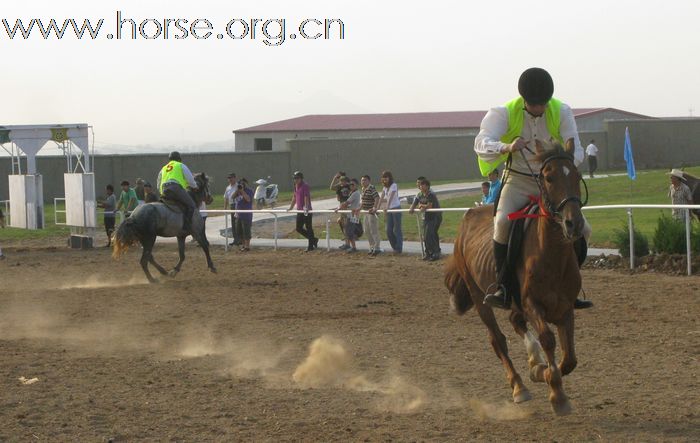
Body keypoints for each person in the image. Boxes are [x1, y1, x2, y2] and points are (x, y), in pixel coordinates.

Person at [474, 67, 592, 310]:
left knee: (585, 229)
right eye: (534, 105)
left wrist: (561, 164)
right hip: (518, 180)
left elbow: (577, 149)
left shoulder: (562, 111)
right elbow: (480, 144)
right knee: (503, 223)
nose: (539, 109)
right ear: (524, 100)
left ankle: (571, 285)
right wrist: (506, 147)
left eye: (543, 104)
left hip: (552, 183)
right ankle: (503, 286)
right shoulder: (503, 113)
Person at [156, 151, 198, 232]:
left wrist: (161, 192)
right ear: (179, 159)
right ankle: (186, 226)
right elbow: (190, 179)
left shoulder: (163, 168)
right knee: (192, 205)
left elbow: (158, 183)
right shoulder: (180, 165)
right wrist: (195, 186)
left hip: (164, 189)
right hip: (176, 188)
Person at [409, 178, 442, 261]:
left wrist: (422, 206)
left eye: (422, 185)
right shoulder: (419, 195)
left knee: (430, 235)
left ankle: (435, 253)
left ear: (427, 186)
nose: (420, 186)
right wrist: (412, 208)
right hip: (426, 218)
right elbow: (415, 203)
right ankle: (428, 253)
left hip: (434, 217)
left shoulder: (431, 194)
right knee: (425, 236)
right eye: (420, 185)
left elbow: (429, 206)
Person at [288, 171, 318, 252]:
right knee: (298, 228)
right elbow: (294, 197)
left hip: (306, 210)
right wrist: (291, 207)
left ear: (301, 178)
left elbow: (306, 197)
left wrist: (306, 207)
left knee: (309, 228)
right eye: (294, 178)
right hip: (299, 211)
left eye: (297, 178)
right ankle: (314, 240)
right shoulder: (296, 186)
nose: (296, 180)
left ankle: (310, 246)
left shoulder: (305, 186)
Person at [378, 170, 403, 253]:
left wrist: (387, 207)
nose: (384, 179)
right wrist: (377, 208)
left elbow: (391, 197)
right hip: (389, 210)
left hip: (396, 208)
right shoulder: (385, 187)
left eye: (386, 177)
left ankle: (398, 248)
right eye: (383, 177)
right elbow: (381, 198)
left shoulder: (394, 185)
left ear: (389, 178)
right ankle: (395, 247)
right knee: (388, 230)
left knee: (397, 229)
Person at [337, 178, 362, 253]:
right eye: (350, 184)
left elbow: (346, 203)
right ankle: (348, 245)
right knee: (347, 230)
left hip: (352, 215)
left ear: (356, 185)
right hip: (349, 214)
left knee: (349, 231)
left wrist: (338, 208)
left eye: (353, 184)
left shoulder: (355, 193)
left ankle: (353, 247)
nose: (351, 186)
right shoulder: (352, 192)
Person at [360, 174, 381, 256]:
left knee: (373, 231)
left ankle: (377, 248)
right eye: (362, 180)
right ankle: (372, 247)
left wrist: (374, 207)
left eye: (364, 180)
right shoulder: (363, 189)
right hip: (365, 212)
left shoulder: (371, 187)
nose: (363, 182)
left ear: (369, 181)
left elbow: (377, 198)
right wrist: (359, 208)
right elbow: (363, 200)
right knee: (366, 230)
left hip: (371, 213)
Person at [330, 172, 352, 250]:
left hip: (347, 207)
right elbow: (331, 187)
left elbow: (354, 185)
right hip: (342, 207)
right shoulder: (339, 187)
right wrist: (334, 178)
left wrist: (347, 181)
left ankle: (348, 242)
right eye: (341, 181)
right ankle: (347, 242)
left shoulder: (349, 186)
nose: (342, 182)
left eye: (343, 180)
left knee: (347, 225)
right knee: (343, 224)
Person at [233, 178, 254, 251]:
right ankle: (243, 246)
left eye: (243, 184)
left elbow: (248, 199)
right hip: (238, 214)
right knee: (239, 231)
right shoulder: (237, 191)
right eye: (240, 183)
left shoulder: (249, 191)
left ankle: (247, 247)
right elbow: (232, 197)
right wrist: (237, 190)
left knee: (246, 231)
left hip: (246, 214)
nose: (242, 185)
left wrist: (242, 191)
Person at [223, 173, 239, 246]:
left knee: (238, 223)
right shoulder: (228, 187)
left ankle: (240, 239)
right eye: (229, 178)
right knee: (233, 223)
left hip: (238, 205)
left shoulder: (238, 186)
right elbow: (226, 198)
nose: (230, 179)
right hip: (232, 206)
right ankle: (235, 240)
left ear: (235, 178)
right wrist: (225, 208)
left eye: (231, 178)